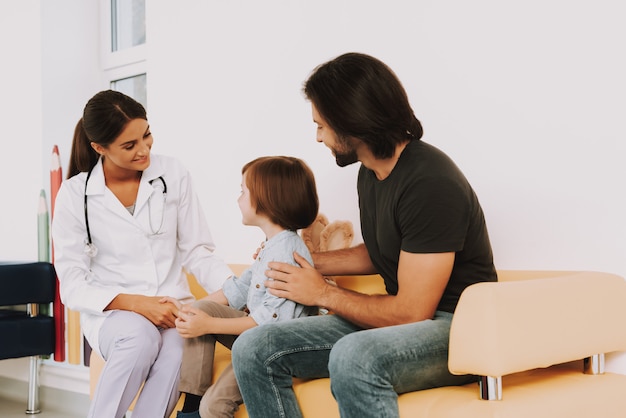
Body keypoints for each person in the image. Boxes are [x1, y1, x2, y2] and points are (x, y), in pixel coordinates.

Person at [230, 52, 498, 418]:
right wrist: (306, 261)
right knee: (254, 347)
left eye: (322, 125)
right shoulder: (370, 173)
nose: (318, 136)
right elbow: (381, 251)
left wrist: (322, 291)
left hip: (456, 325)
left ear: (352, 121)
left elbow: (412, 312)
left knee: (355, 356)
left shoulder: (430, 182)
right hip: (415, 322)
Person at [51, 90, 234, 418]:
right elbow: (73, 284)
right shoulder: (75, 195)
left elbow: (197, 251)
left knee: (179, 349)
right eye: (129, 145)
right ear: (99, 148)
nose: (144, 149)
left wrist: (239, 287)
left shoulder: (173, 174)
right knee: (139, 337)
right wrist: (137, 303)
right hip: (114, 315)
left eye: (147, 135)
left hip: (174, 306)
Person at [167, 156, 320, 418]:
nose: (238, 198)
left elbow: (268, 327)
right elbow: (236, 289)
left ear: (266, 200)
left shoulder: (286, 253)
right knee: (201, 309)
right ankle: (191, 405)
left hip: (271, 348)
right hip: (256, 338)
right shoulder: (272, 246)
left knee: (214, 406)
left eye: (243, 191)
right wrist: (184, 310)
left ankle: (198, 408)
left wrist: (208, 325)